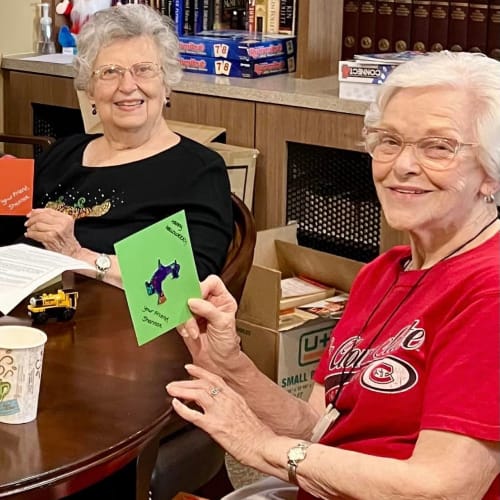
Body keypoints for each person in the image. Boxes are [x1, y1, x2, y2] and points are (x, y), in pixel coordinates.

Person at [166, 51, 500, 500]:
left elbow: (444, 488)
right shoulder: (383, 273)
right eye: (389, 141)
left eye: (438, 146)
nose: (402, 165)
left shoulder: (489, 291)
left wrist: (263, 447)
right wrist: (232, 365)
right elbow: (322, 429)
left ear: (491, 174)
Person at [8, 4, 233, 287]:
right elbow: (8, 226)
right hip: (20, 313)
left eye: (144, 70)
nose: (127, 85)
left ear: (167, 84)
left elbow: (189, 275)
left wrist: (78, 255)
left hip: (110, 324)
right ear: (90, 89)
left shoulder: (197, 171)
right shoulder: (62, 153)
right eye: (110, 72)